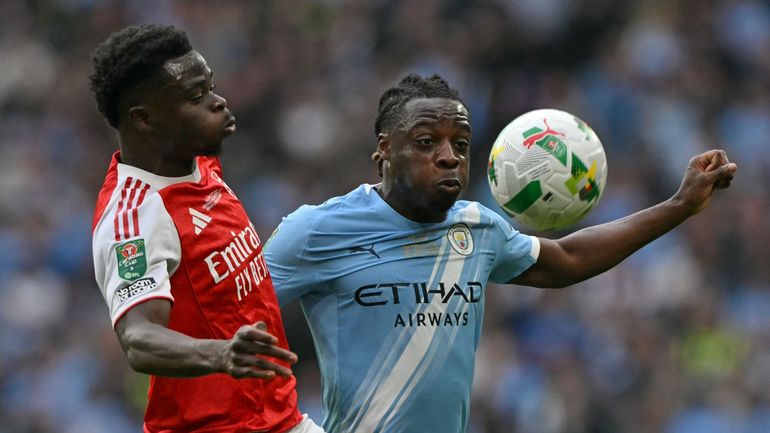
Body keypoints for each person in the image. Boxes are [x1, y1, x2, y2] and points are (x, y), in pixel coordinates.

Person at [263, 74, 738, 433]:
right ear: (384, 150)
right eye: (428, 142)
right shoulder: (315, 230)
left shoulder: (478, 227)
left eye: (461, 144)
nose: (449, 156)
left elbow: (567, 261)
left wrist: (679, 206)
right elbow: (228, 317)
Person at [89, 24, 324, 433]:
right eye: (196, 98)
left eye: (211, 88)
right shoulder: (135, 217)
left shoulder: (197, 163)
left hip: (280, 419)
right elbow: (138, 336)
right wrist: (219, 354)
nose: (218, 102)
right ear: (144, 119)